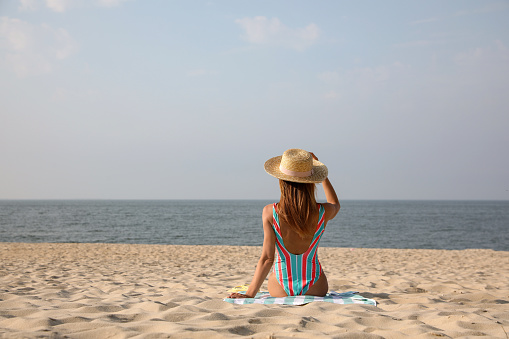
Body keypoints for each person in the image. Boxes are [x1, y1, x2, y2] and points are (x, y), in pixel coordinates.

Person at [228, 148, 340, 298]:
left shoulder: (270, 212)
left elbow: (267, 259)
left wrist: (249, 294)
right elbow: (335, 204)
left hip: (280, 286)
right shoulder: (322, 211)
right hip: (315, 286)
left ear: (282, 181)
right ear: (311, 182)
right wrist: (323, 176)